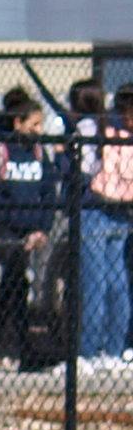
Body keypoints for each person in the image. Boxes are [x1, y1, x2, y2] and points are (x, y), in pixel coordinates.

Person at [0, 88, 64, 370]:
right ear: (18, 123)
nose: (39, 130)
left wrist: (42, 229)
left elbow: (48, 194)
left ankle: (16, 350)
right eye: (34, 124)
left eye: (40, 124)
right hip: (1, 231)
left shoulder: (38, 154)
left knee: (17, 290)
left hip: (28, 233)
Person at [79, 80, 133, 364]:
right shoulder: (100, 128)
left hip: (115, 211)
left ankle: (108, 351)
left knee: (114, 284)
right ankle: (94, 352)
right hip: (102, 209)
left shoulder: (102, 129)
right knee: (100, 284)